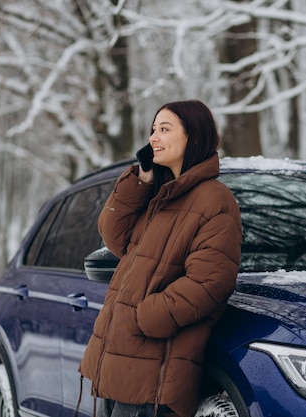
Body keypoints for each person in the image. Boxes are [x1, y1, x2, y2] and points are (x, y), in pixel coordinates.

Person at [78, 99, 242, 417]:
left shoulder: (215, 200)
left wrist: (146, 316)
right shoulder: (162, 196)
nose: (153, 137)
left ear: (193, 137)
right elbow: (115, 237)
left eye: (164, 129)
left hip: (154, 371)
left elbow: (210, 283)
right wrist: (141, 180)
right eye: (153, 129)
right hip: (123, 361)